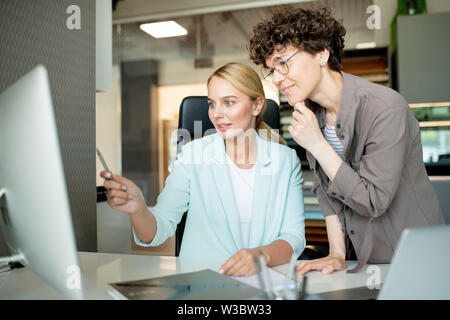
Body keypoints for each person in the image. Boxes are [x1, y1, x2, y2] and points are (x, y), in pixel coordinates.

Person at [247, 7, 445, 274]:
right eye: (272, 70)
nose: (278, 78)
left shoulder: (384, 108)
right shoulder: (310, 114)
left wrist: (317, 144)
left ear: (321, 54)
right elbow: (326, 192)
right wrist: (337, 253)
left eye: (284, 62)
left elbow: (373, 200)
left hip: (414, 259)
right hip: (360, 259)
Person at [100, 63, 306, 277]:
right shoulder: (192, 155)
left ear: (256, 106)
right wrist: (138, 209)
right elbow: (158, 229)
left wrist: (260, 256)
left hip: (264, 283)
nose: (217, 114)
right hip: (204, 283)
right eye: (212, 104)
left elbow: (294, 236)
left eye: (228, 102)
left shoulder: (285, 161)